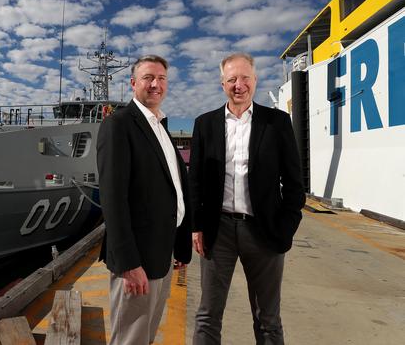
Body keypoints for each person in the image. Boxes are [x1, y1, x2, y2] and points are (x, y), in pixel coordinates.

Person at [189, 53, 305, 345]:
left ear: (255, 80)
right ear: (222, 83)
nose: (238, 85)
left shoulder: (277, 122)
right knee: (207, 316)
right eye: (231, 79)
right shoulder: (205, 124)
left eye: (244, 78)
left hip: (264, 231)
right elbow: (196, 182)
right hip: (220, 232)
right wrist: (196, 225)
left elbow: (294, 183)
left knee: (268, 319)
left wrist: (285, 228)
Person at [97, 54, 192, 345]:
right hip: (136, 261)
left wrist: (179, 246)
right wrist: (128, 263)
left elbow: (172, 188)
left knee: (145, 336)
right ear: (133, 83)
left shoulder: (160, 127)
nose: (155, 84)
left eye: (161, 79)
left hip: (160, 254)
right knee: (130, 338)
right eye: (148, 78)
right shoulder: (119, 125)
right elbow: (113, 198)